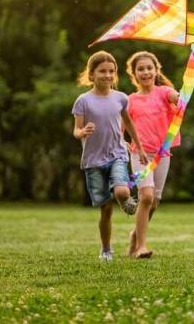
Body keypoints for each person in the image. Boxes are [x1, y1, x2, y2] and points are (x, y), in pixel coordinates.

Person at [72, 51, 148, 262]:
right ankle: (106, 249)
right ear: (91, 74)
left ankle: (125, 200)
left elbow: (129, 124)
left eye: (111, 71)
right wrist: (82, 132)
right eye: (102, 71)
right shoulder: (83, 101)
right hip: (93, 161)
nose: (107, 75)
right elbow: (76, 130)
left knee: (122, 191)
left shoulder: (121, 98)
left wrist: (139, 147)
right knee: (105, 210)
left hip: (117, 154)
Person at [124, 51, 180, 259]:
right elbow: (121, 130)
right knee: (145, 196)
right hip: (141, 154)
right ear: (134, 74)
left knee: (154, 200)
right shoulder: (130, 101)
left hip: (162, 153)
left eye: (149, 68)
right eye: (141, 69)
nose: (146, 72)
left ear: (156, 71)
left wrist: (180, 96)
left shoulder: (164, 92)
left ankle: (135, 235)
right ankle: (141, 247)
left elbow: (175, 97)